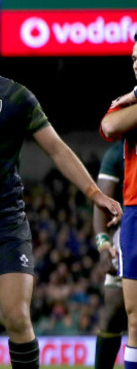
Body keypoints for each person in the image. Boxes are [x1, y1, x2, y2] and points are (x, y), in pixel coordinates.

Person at [0, 14, 121, 369]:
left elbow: (57, 149)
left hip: (6, 225)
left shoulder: (15, 96)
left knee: (18, 319)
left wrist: (94, 193)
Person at [100, 33, 137, 369]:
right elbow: (110, 125)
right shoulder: (125, 106)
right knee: (132, 319)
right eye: (134, 60)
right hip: (134, 214)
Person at [93, 142, 127, 369]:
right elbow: (101, 203)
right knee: (113, 311)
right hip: (127, 232)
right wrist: (103, 245)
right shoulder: (116, 154)